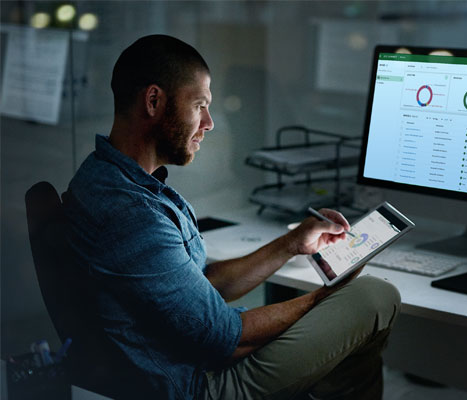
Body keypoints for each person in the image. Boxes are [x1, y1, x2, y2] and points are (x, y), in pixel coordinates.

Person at [63, 34, 401, 400]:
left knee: (349, 338)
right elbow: (224, 338)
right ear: (154, 100)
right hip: (200, 385)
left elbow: (201, 285)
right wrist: (328, 298)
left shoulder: (108, 177)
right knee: (374, 296)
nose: (208, 123)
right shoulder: (130, 213)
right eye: (200, 105)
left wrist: (290, 244)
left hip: (191, 361)